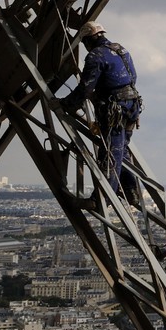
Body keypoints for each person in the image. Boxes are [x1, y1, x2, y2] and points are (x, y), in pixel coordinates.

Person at [63, 20, 144, 206]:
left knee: (111, 153)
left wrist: (67, 104)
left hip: (114, 110)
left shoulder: (96, 56)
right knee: (122, 150)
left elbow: (85, 89)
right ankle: (132, 192)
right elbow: (132, 77)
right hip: (131, 107)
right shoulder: (121, 50)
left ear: (87, 40)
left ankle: (102, 200)